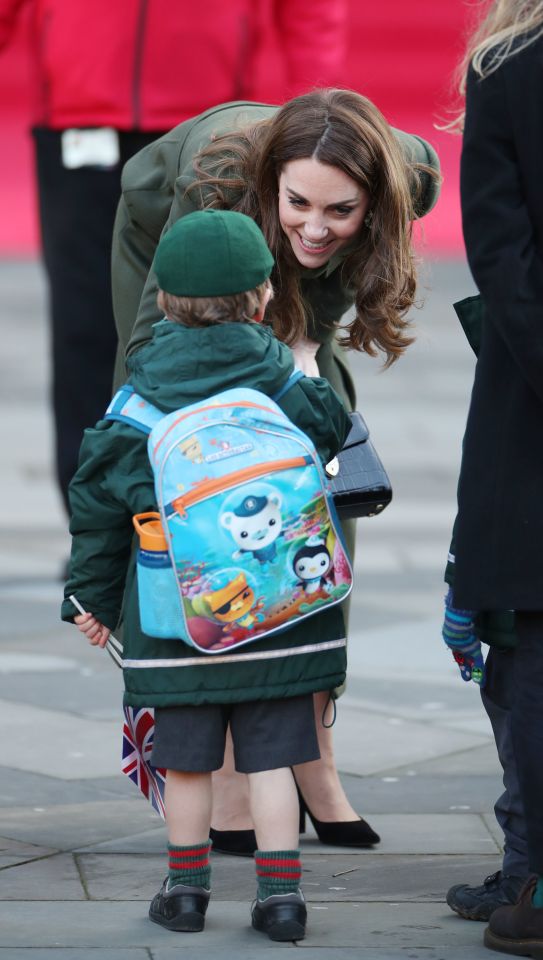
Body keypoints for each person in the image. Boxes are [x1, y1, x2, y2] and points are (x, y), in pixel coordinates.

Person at [111, 86, 441, 853]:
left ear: (376, 201)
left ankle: (314, 756)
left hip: (293, 285)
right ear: (274, 183)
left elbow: (327, 237)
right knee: (202, 475)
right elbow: (157, 370)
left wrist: (303, 350)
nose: (319, 227)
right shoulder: (213, 187)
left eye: (342, 211)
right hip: (180, 248)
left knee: (320, 483)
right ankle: (226, 767)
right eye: (302, 203)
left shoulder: (408, 173)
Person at [61, 208, 353, 940]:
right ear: (262, 298)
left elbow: (97, 509)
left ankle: (186, 893)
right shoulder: (281, 383)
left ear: (162, 302)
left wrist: (89, 597)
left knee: (186, 765)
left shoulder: (135, 406)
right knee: (275, 762)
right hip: (287, 609)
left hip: (176, 623)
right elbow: (335, 424)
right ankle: (280, 900)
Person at [0, 0, 347, 518]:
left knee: (225, 320)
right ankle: (96, 521)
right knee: (82, 327)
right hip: (81, 120)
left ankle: (214, 501)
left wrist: (312, 117)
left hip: (212, 130)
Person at [440, 1, 543, 954]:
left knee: (522, 640)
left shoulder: (509, 60)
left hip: (528, 394)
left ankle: (532, 876)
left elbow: (501, 251)